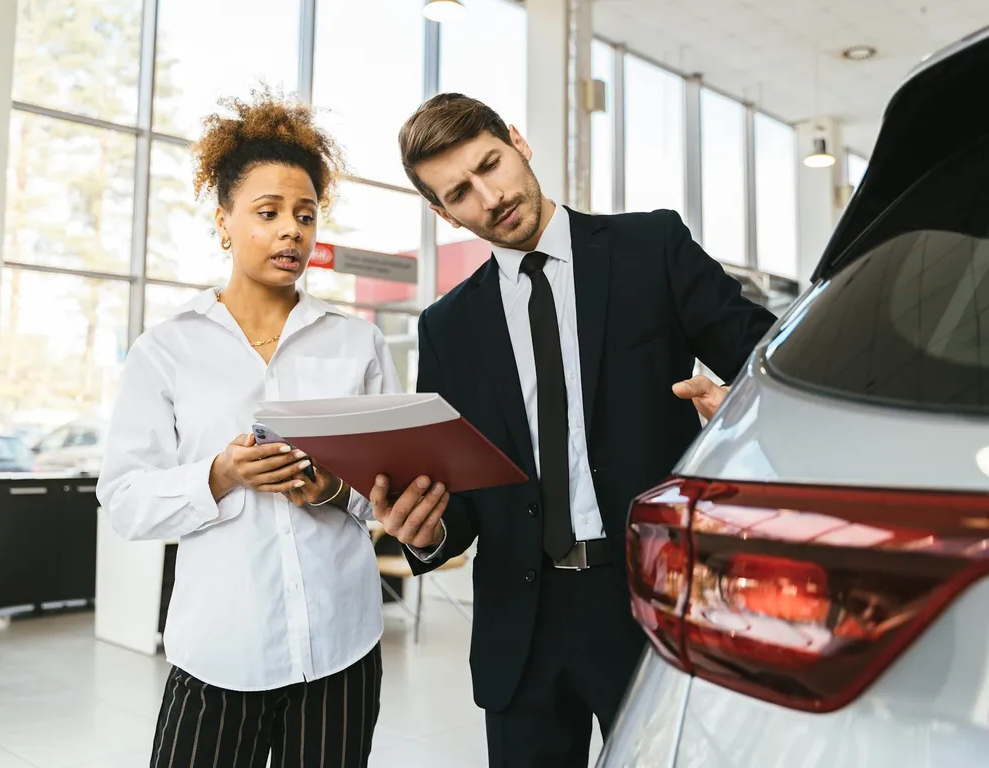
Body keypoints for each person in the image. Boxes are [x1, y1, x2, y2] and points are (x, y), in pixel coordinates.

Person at [369, 93, 777, 767]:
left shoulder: (652, 247)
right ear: (442, 213)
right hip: (519, 631)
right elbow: (462, 499)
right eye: (460, 193)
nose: (490, 196)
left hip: (649, 602)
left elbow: (769, 360)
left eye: (490, 165)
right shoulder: (447, 328)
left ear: (519, 142)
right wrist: (428, 527)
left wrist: (739, 411)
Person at [96, 90, 398, 768]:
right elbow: (123, 499)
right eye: (267, 213)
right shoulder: (167, 350)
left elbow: (384, 491)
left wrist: (329, 491)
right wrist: (220, 474)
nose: (291, 230)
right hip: (218, 653)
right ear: (224, 222)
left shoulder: (358, 345)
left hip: (341, 650)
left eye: (305, 214)